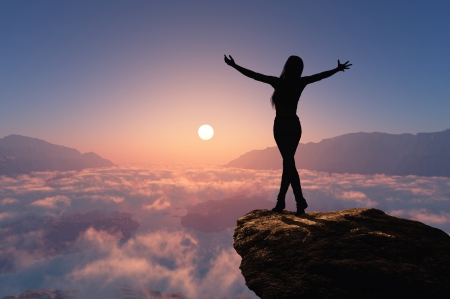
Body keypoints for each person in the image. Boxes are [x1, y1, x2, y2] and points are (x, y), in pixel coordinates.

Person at [224, 55, 351, 216]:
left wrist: (234, 66)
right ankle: (297, 202)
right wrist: (337, 70)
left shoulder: (278, 82)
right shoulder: (300, 82)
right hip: (294, 125)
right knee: (289, 164)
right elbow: (320, 76)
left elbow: (254, 75)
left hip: (281, 126)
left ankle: (284, 202)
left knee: (288, 163)